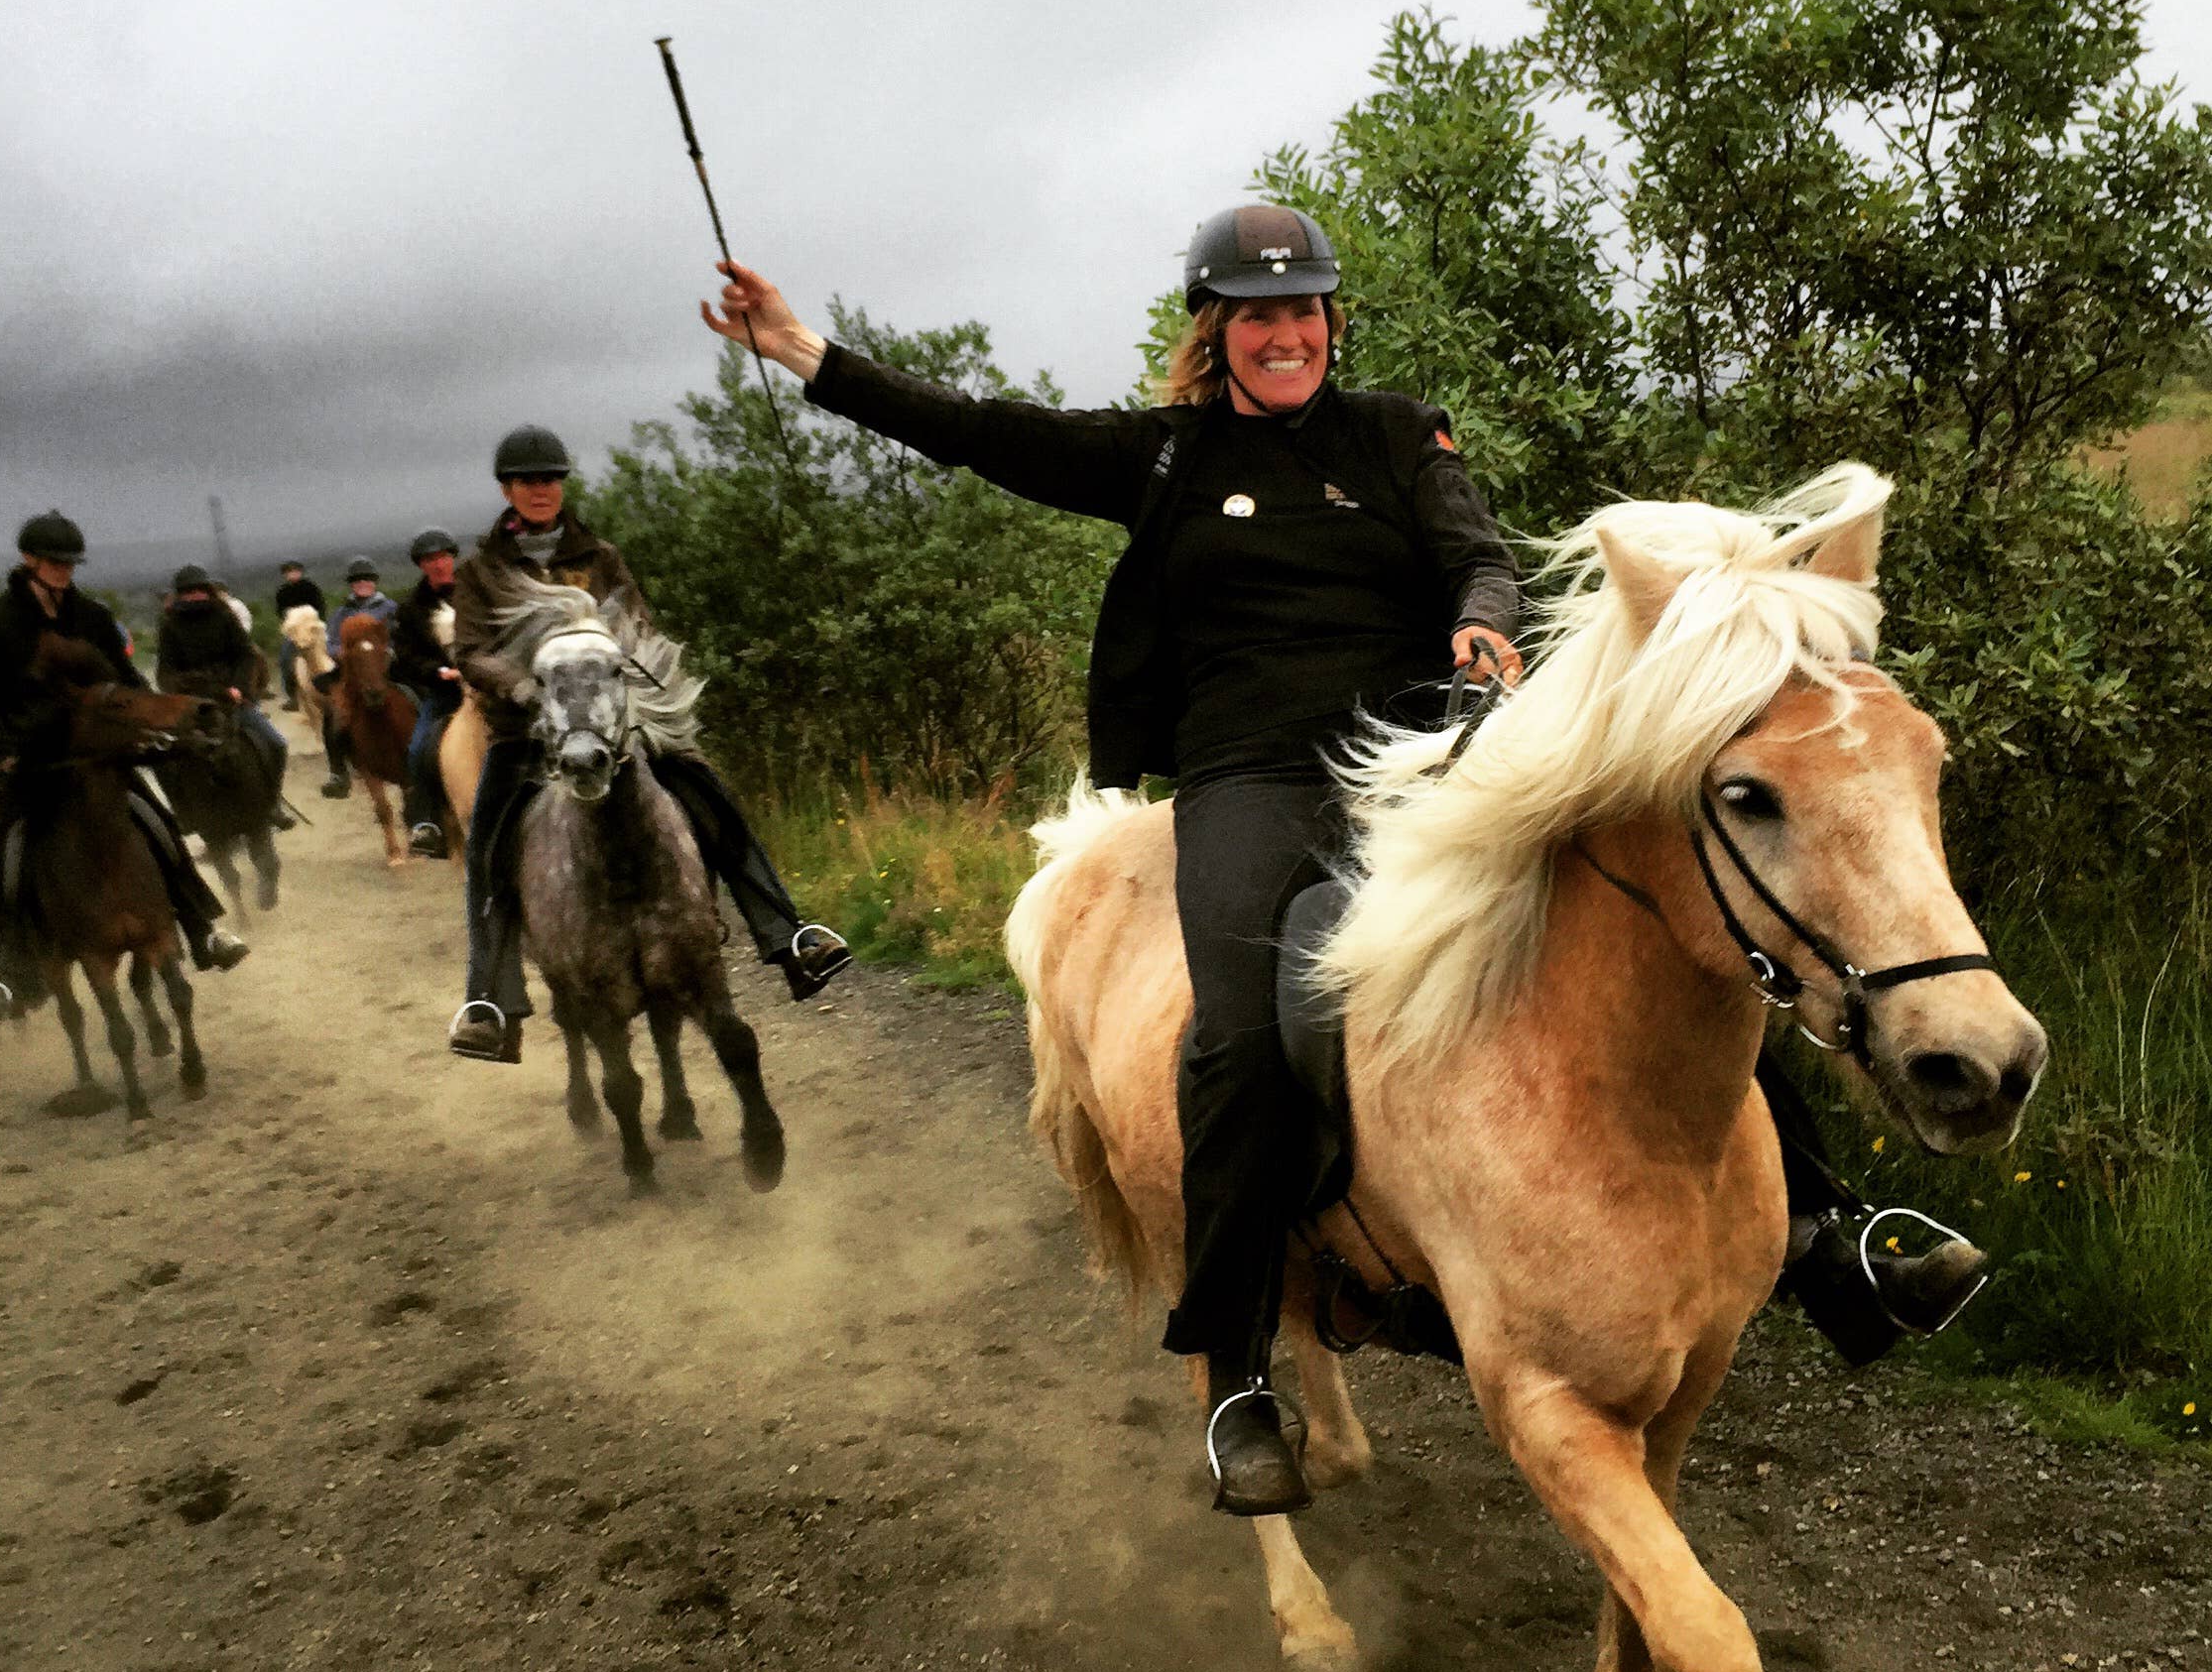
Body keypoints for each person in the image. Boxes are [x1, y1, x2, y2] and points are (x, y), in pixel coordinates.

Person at [703, 206, 1991, 1515]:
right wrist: (804, 350)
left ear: (1331, 321)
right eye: (1258, 314)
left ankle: (1834, 1235)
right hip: (1249, 782)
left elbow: (1472, 550)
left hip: (1418, 759)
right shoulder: (1164, 455)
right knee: (1246, 1040)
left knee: (1670, 919)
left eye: (1305, 309)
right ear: (1215, 332)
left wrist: (1486, 627)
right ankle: (1237, 1371)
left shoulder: (1394, 431)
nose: (1287, 333)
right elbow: (984, 432)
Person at [443, 423, 850, 1064]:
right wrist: (526, 690)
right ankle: (489, 1002)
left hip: (611, 721)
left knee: (711, 798)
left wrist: (623, 681)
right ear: (507, 490)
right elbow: (468, 651)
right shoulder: (481, 573)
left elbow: (639, 626)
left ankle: (789, 936)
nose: (541, 489)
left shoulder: (601, 556)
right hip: (526, 732)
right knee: (487, 852)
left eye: (550, 478)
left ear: (562, 485)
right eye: (528, 481)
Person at [0, 512, 248, 1023]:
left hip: (99, 755)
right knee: (6, 853)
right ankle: (3, 973)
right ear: (29, 560)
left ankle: (203, 928)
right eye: (54, 562)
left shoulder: (90, 616)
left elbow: (128, 681)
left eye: (70, 563)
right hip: (34, 764)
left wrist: (146, 720)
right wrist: (4, 750)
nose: (64, 571)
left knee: (158, 825)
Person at [157, 565, 293, 829]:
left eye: (199, 590)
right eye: (188, 592)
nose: (195, 596)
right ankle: (187, 816)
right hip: (192, 704)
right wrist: (185, 693)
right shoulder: (170, 625)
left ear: (208, 591)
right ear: (179, 595)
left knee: (276, 744)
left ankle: (272, 803)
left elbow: (245, 654)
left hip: (232, 699)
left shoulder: (224, 616)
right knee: (167, 760)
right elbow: (166, 671)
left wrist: (239, 686)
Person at [390, 528, 464, 858]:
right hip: (445, 692)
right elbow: (407, 656)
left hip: (487, 687)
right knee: (419, 749)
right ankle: (426, 822)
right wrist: (438, 671)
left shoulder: (475, 594)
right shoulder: (410, 609)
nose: (438, 564)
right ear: (421, 565)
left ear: (452, 558)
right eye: (430, 560)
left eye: (443, 557)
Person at [315, 558, 396, 799]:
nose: (362, 583)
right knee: (333, 714)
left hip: (385, 668)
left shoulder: (390, 609)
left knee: (413, 698)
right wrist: (337, 652)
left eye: (366, 579)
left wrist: (387, 651)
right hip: (351, 671)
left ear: (374, 582)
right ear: (351, 585)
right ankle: (338, 772)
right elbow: (330, 642)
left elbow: (399, 636)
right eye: (357, 580)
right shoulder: (342, 613)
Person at [274, 559, 326, 704]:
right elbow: (280, 612)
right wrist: (291, 623)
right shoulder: (282, 592)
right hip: (293, 631)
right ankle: (292, 697)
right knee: (285, 659)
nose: (292, 574)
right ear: (285, 574)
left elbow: (320, 607)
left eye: (295, 571)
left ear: (300, 572)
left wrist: (316, 623)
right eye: (289, 572)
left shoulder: (310, 587)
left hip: (312, 627)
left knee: (330, 654)